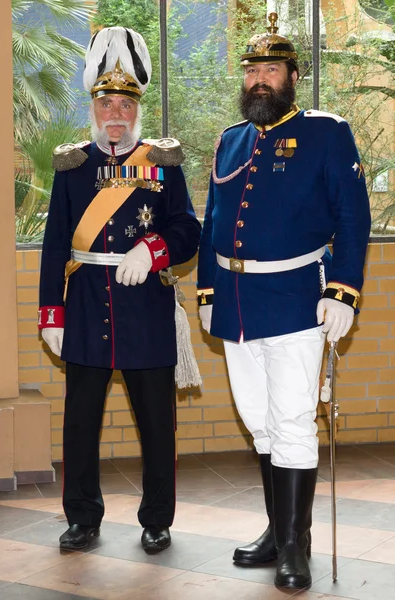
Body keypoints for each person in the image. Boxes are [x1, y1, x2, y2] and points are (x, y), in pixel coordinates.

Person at [197, 13, 371, 590]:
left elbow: (352, 216)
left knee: (293, 421)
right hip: (238, 302)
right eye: (251, 71)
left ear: (292, 76)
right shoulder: (230, 140)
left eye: (270, 69)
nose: (259, 80)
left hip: (299, 299)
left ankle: (296, 544)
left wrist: (342, 290)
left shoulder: (327, 132)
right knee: (259, 422)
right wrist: (206, 289)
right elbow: (213, 222)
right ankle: (277, 529)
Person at [38, 26, 201, 553]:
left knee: (157, 424)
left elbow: (187, 230)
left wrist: (153, 250)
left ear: (137, 108)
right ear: (93, 107)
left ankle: (158, 518)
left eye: (125, 103)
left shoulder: (164, 163)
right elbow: (56, 244)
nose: (116, 113)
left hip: (147, 309)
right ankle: (82, 517)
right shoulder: (72, 166)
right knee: (81, 424)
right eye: (106, 102)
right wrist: (51, 314)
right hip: (85, 307)